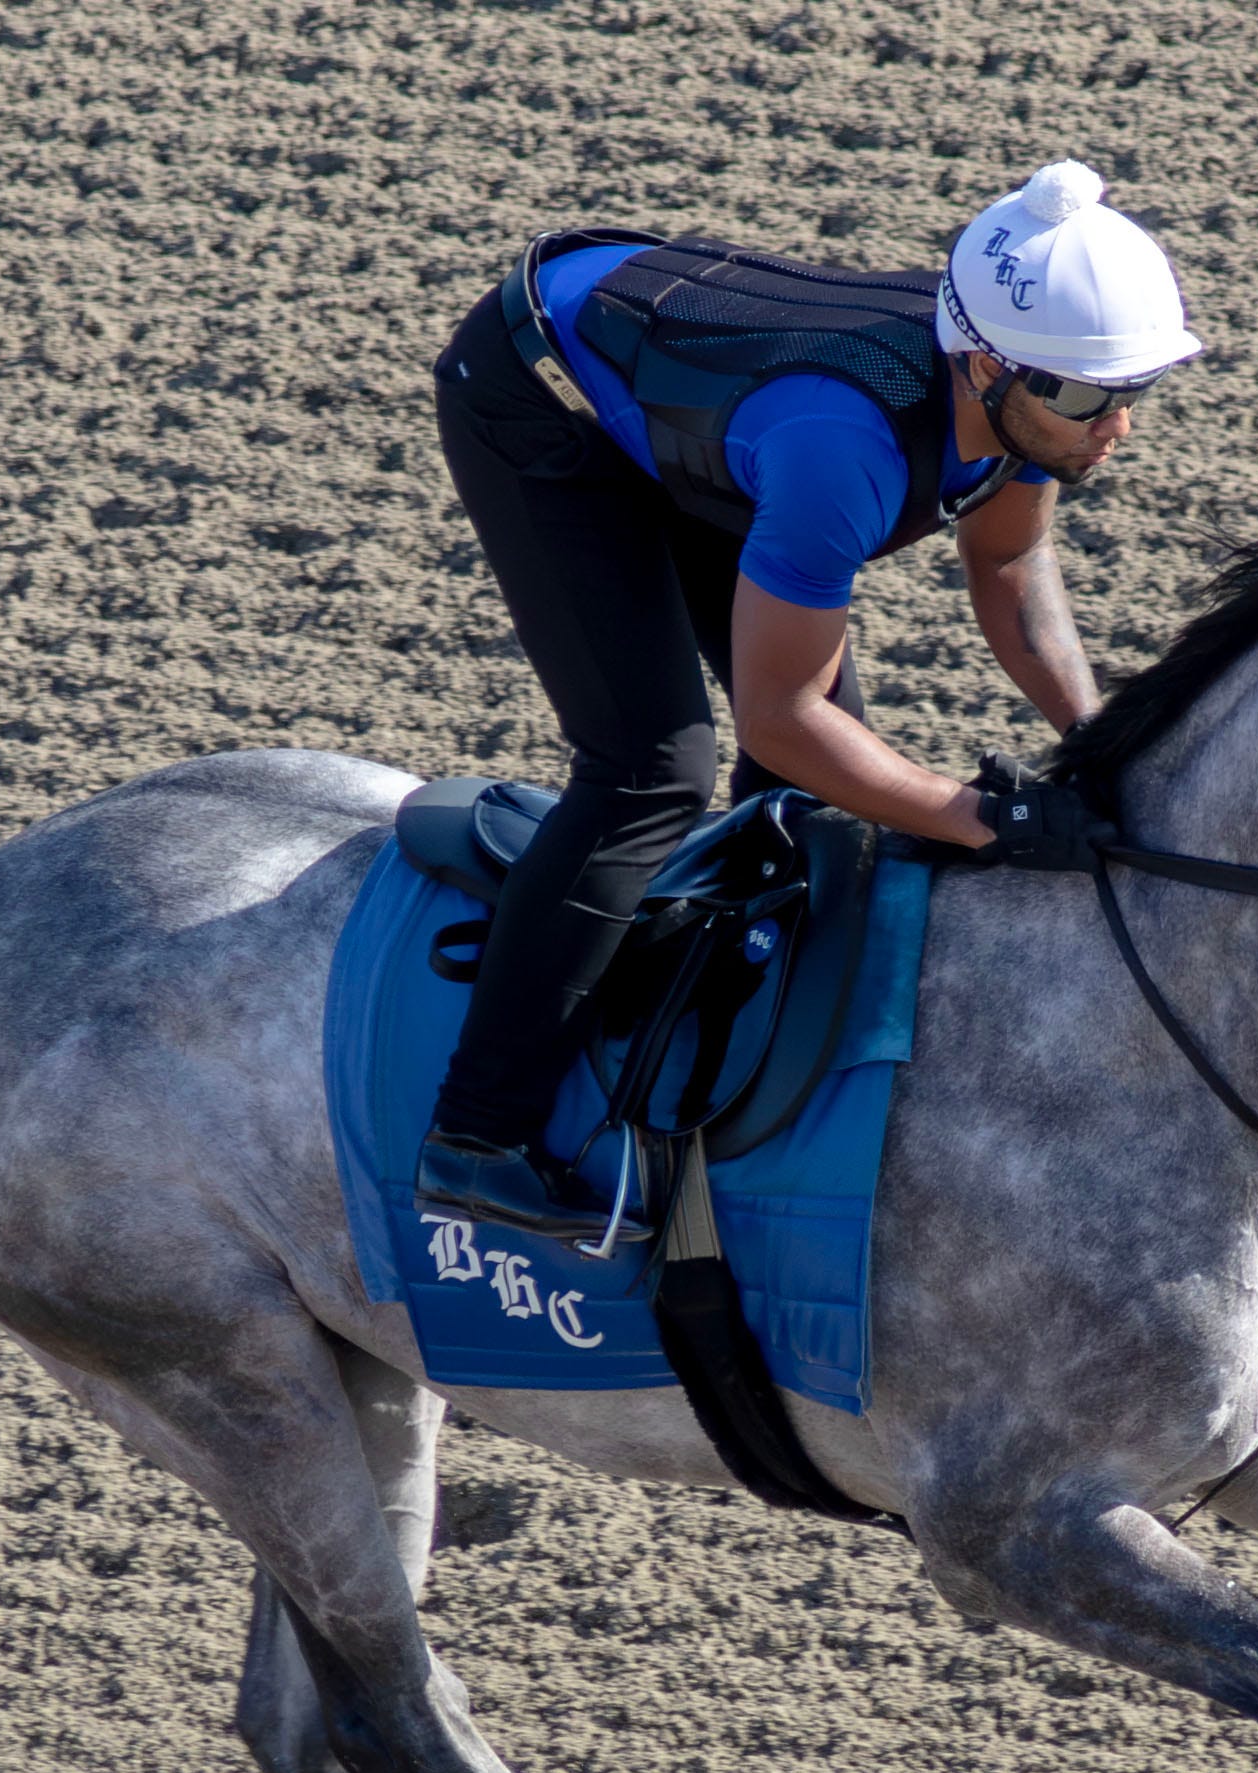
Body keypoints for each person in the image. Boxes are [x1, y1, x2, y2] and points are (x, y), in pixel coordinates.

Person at [415, 160, 1204, 1237]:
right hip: (543, 399)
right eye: (1083, 396)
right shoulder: (847, 453)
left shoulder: (1022, 405)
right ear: (982, 365)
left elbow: (1010, 577)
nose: (1113, 425)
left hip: (698, 410)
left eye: (1134, 390)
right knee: (652, 769)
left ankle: (721, 1017)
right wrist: (979, 818)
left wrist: (1101, 742)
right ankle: (475, 1137)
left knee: (832, 784)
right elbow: (778, 717)